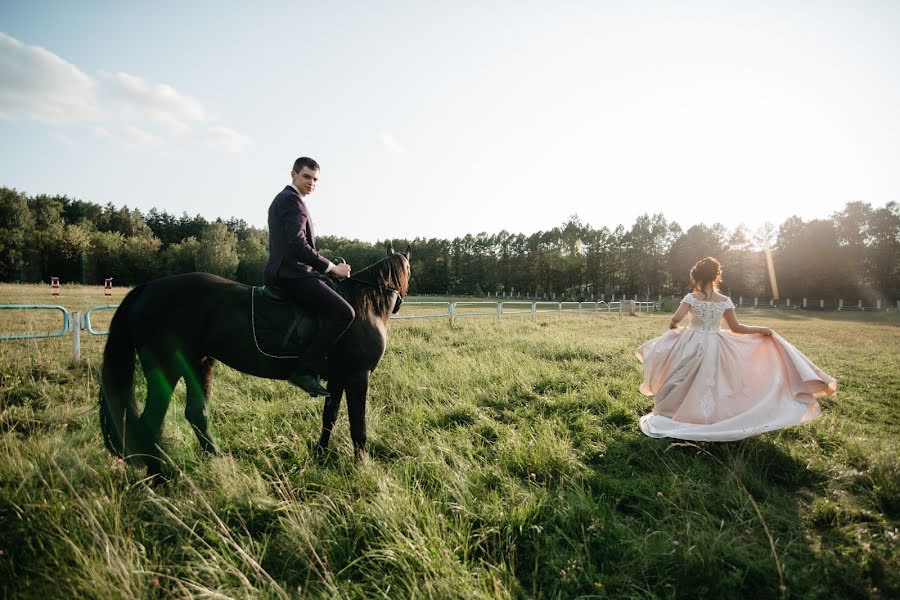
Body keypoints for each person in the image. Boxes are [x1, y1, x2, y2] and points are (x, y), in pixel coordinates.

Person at [636, 257, 836, 441]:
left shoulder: (691, 298)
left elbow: (675, 319)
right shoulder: (724, 301)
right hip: (715, 344)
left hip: (691, 342)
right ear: (715, 277)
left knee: (681, 378)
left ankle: (676, 412)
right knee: (712, 382)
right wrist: (761, 330)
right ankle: (709, 415)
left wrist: (675, 329)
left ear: (697, 278)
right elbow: (737, 328)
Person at [264, 157, 353, 397]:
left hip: (289, 271)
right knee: (345, 313)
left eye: (315, 180)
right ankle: (305, 369)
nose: (311, 183)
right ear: (293, 174)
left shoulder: (288, 199)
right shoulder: (292, 201)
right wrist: (332, 268)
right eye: (306, 177)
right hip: (292, 274)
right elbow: (297, 245)